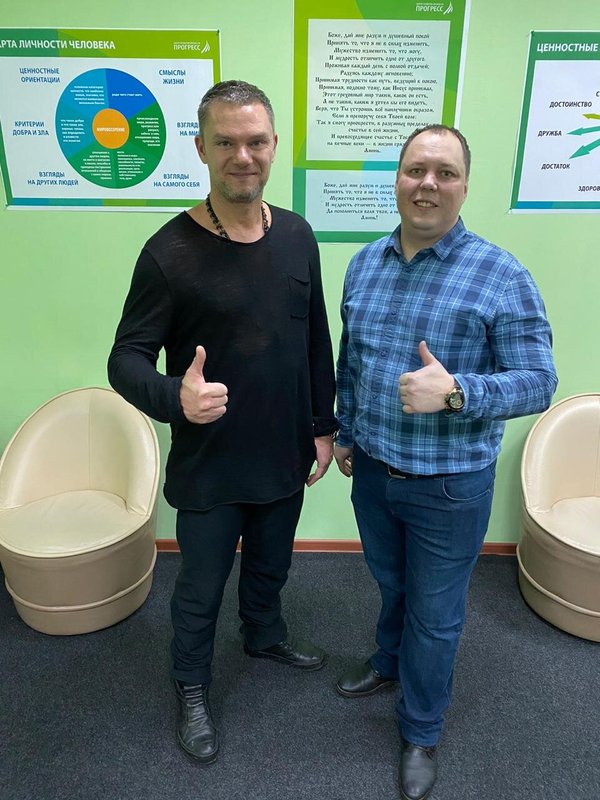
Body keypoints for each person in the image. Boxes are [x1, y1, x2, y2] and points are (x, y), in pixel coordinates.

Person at [108, 80, 337, 765]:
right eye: (226, 142)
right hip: (209, 461)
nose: (244, 155)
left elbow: (315, 339)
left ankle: (263, 636)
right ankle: (191, 685)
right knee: (200, 590)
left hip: (284, 450)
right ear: (202, 148)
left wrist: (323, 426)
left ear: (273, 145)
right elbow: (124, 359)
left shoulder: (296, 235)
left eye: (256, 141)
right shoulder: (168, 252)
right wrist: (173, 396)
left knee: (271, 565)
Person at [333, 124, 557, 800]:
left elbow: (539, 382)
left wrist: (458, 392)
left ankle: (421, 729)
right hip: (374, 473)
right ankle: (387, 662)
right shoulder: (364, 264)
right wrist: (346, 431)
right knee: (392, 585)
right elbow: (353, 361)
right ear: (398, 179)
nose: (427, 184)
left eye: (445, 173)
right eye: (415, 170)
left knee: (436, 615)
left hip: (451, 487)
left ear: (463, 186)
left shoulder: (501, 274)